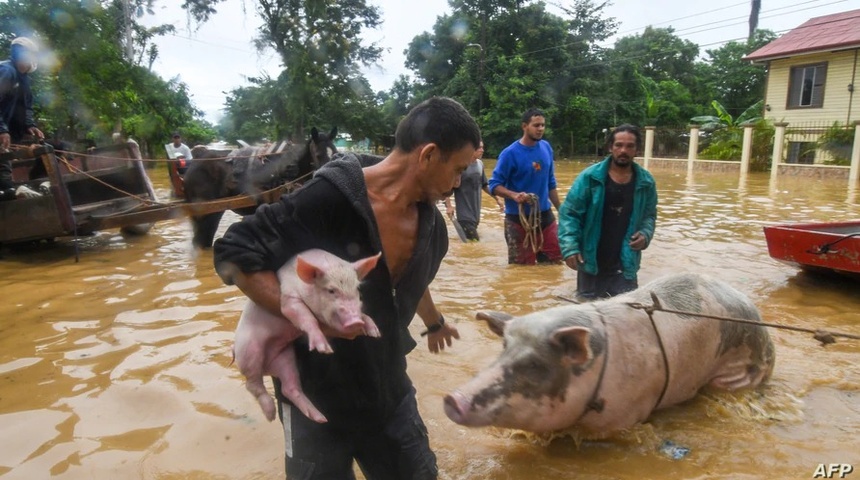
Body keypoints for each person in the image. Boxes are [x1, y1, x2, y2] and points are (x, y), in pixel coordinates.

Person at [213, 96, 481, 479]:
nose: (458, 183)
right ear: (428, 155)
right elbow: (234, 251)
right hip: (314, 395)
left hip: (388, 391)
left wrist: (435, 323)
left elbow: (405, 283)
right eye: (457, 170)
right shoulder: (325, 201)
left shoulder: (433, 232)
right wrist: (304, 317)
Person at [558, 124, 657, 299]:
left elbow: (649, 216)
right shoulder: (589, 178)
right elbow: (570, 214)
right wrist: (570, 247)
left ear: (637, 150)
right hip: (590, 260)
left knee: (626, 316)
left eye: (629, 146)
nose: (623, 150)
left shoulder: (646, 182)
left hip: (625, 264)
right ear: (610, 147)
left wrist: (645, 234)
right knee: (586, 315)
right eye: (618, 145)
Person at [488, 108, 563, 264]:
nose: (541, 129)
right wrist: (514, 195)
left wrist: (561, 210)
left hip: (545, 216)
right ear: (524, 126)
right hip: (518, 219)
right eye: (536, 125)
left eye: (543, 125)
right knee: (521, 270)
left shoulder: (546, 148)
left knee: (554, 264)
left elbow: (550, 182)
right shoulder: (509, 154)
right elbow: (493, 185)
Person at [0, 37, 44, 201]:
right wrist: (2, 129)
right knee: (4, 176)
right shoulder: (6, 71)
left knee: (4, 167)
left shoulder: (23, 79)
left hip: (6, 134)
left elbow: (25, 106)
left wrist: (29, 124)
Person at [443, 140, 503, 241]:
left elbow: (484, 185)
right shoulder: (460, 166)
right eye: (479, 148)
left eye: (483, 147)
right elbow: (447, 187)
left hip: (476, 215)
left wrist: (497, 199)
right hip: (464, 216)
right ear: (471, 149)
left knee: (469, 243)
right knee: (475, 243)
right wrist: (449, 206)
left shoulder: (480, 164)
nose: (482, 150)